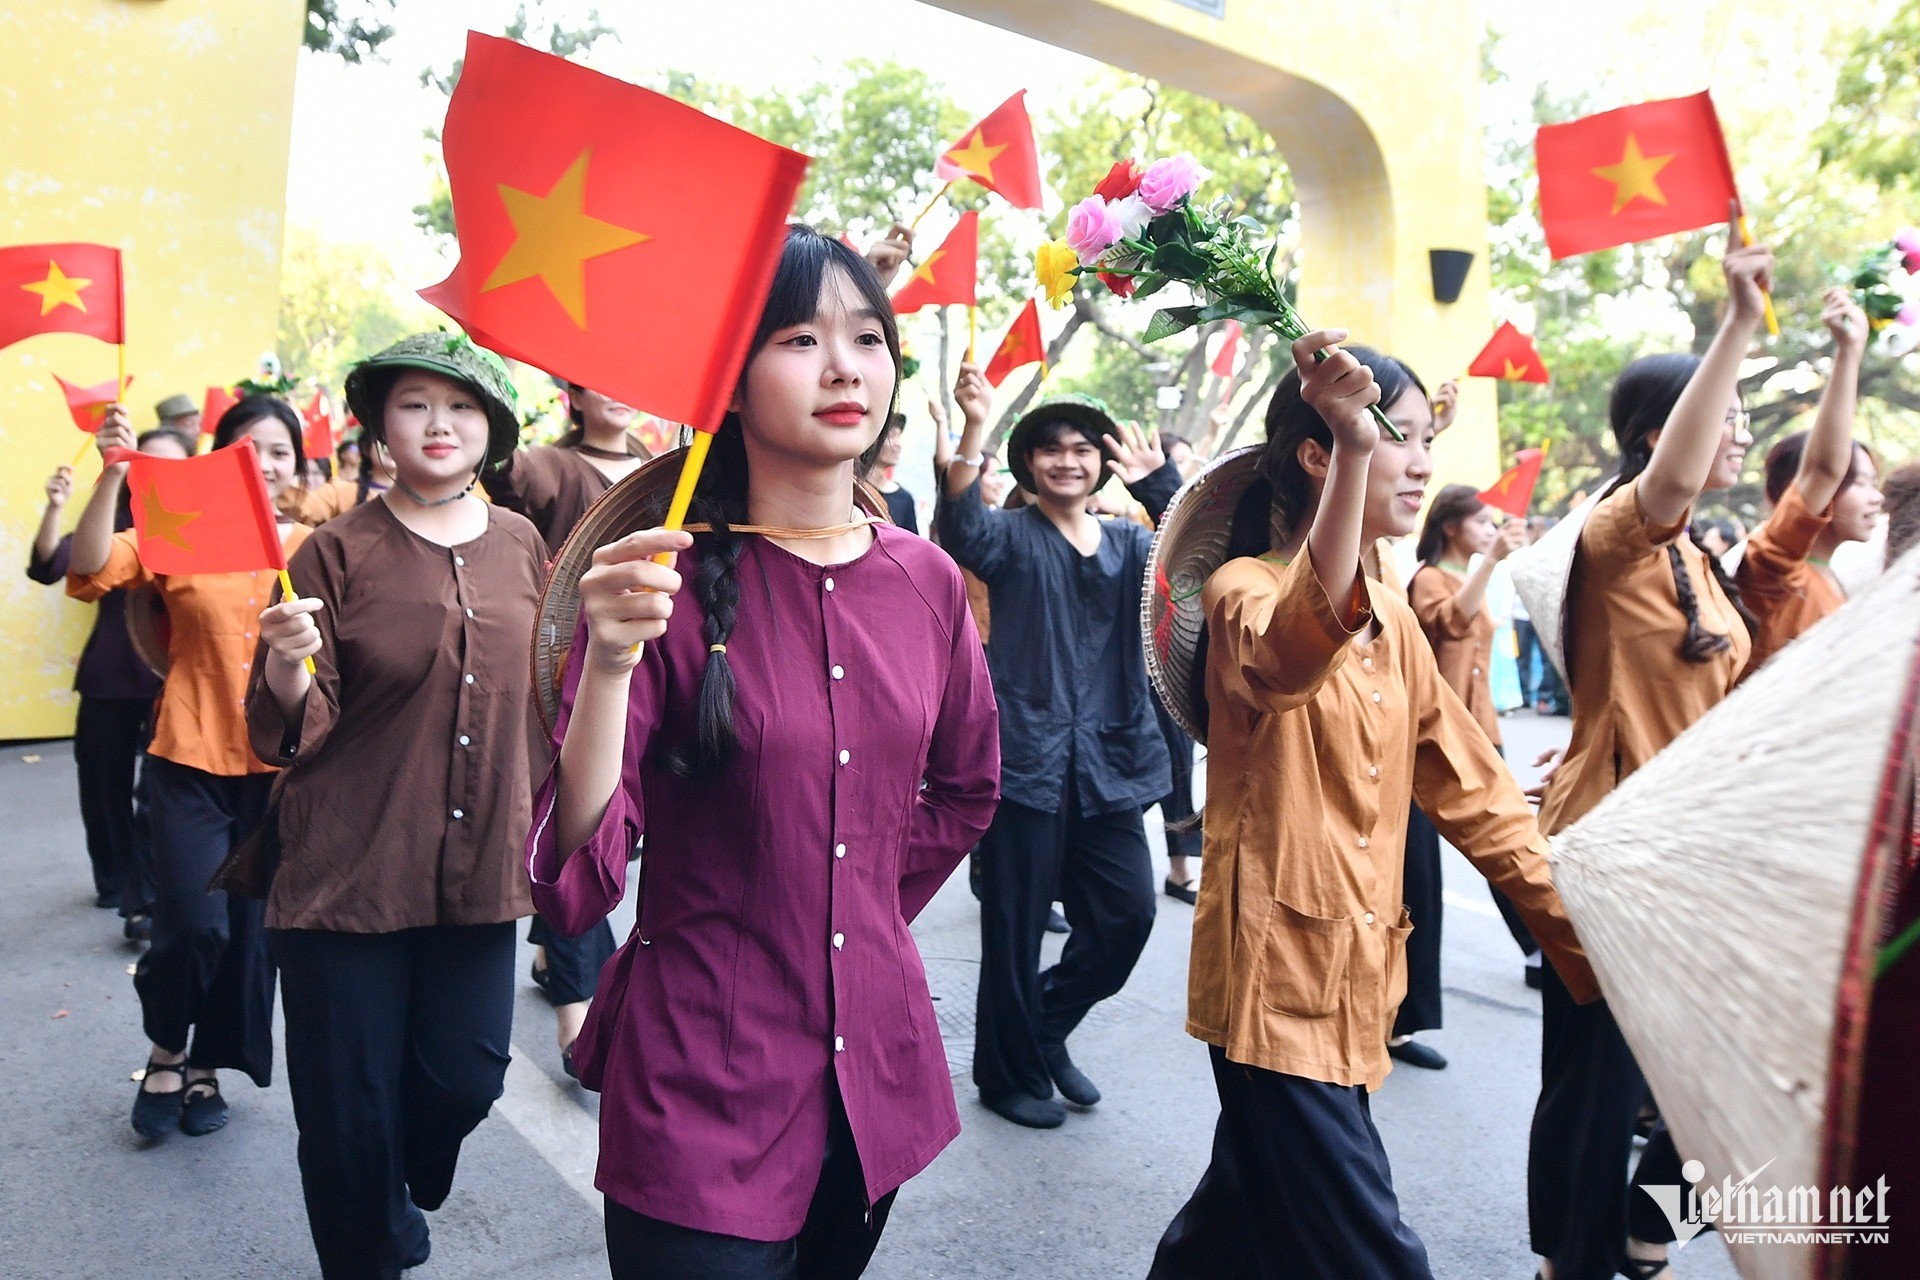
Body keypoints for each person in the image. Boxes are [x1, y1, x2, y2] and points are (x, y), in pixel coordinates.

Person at [531, 224, 998, 1279]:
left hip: (872, 1081)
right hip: (701, 1077)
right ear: (730, 386)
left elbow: (967, 787)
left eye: (868, 337)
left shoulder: (926, 580)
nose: (844, 366)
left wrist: (855, 903)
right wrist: (608, 665)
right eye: (799, 336)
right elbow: (576, 874)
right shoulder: (661, 589)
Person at [1147, 334, 1596, 1280]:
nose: (1425, 462)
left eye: (1427, 438)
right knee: (1375, 1254)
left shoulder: (1395, 623)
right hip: (1272, 984)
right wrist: (1358, 444)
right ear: (1322, 453)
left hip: (1357, 983)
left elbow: (1479, 798)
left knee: (1236, 1223)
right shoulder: (1242, 592)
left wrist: (1595, 946)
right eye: (1401, 436)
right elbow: (1290, 655)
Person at [249, 333, 544, 1279]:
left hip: (480, 868)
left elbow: (553, 688)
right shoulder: (329, 552)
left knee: (467, 1076)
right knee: (346, 1115)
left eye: (461, 407)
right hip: (348, 868)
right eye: (416, 404)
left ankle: (394, 1189)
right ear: (382, 426)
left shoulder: (525, 544)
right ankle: (366, 1248)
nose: (440, 424)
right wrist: (287, 664)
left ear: (491, 428)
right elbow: (291, 730)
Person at [1522, 241, 1768, 1280]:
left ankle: (1644, 1224)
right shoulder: (1622, 532)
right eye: (1728, 414)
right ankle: (1571, 1260)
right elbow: (1668, 472)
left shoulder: (1698, 556)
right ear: (1661, 436)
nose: (1742, 433)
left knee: (1738, 1078)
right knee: (1597, 1083)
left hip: (1691, 850)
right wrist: (1739, 324)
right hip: (1618, 845)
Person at [67, 394, 312, 1139]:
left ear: (297, 464)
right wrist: (113, 474)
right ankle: (166, 1043)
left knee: (246, 941)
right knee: (191, 926)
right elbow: (88, 568)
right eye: (249, 447)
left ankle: (203, 1066)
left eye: (279, 451)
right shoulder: (176, 534)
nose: (264, 463)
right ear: (218, 458)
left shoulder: (314, 546)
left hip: (276, 777)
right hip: (186, 762)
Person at [940, 377, 1182, 1129]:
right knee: (1012, 930)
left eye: (1082, 450)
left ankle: (1042, 1028)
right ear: (1028, 464)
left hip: (1111, 763)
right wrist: (975, 427)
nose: (1068, 462)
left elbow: (1202, 559)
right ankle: (1004, 1076)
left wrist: (1161, 485)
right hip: (1028, 761)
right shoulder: (1010, 538)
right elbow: (960, 530)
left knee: (1127, 916)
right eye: (1052, 450)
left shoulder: (1133, 543)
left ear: (1101, 465)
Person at [480, 380, 652, 1072]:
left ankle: (556, 953)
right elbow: (498, 468)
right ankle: (577, 1011)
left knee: (627, 834)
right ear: (571, 396)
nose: (617, 392)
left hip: (648, 667)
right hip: (565, 673)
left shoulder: (657, 461)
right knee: (580, 830)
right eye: (596, 381)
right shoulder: (549, 465)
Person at [27, 428, 194, 942]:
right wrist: (56, 506)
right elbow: (47, 568)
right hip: (109, 676)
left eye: (174, 464)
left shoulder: (202, 523)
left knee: (164, 795)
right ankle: (113, 881)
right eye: (148, 462)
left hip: (176, 677)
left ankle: (151, 889)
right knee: (103, 787)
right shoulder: (111, 520)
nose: (160, 474)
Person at [1408, 486, 1541, 1013]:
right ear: (1450, 527)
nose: (1490, 530)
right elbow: (1452, 623)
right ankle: (1406, 1009)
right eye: (1481, 522)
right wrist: (1490, 562)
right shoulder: (1427, 580)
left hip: (1484, 733)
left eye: (1492, 523)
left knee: (1508, 843)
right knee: (1420, 872)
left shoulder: (1471, 577)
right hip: (1437, 740)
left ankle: (1537, 947)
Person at [1735, 288, 1878, 675]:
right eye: (1861, 483)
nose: (1877, 498)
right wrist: (1849, 352)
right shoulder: (1774, 570)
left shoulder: (1836, 580)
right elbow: (1822, 469)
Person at [865, 412, 918, 533]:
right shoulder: (853, 491)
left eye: (899, 436)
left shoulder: (904, 498)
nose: (897, 444)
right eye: (891, 436)